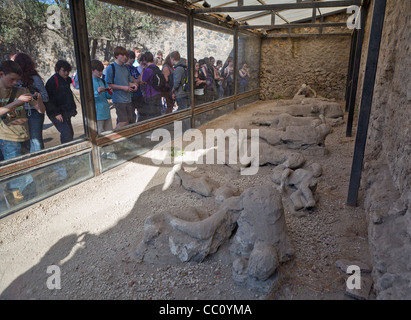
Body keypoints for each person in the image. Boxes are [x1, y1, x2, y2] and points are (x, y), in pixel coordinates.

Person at [0, 60, 39, 201]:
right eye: (12, 79)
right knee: (15, 168)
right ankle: (16, 196)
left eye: (18, 80)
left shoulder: (22, 90)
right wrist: (17, 102)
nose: (15, 83)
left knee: (22, 166)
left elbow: (40, 110)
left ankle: (18, 192)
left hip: (24, 135)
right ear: (1, 74)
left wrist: (38, 100)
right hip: (7, 138)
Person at [12, 52, 47, 152]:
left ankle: (40, 163)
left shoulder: (35, 79)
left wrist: (33, 97)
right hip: (20, 112)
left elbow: (45, 97)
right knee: (25, 141)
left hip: (35, 112)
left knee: (36, 141)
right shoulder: (15, 79)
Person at [45, 60, 77, 144]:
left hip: (65, 111)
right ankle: (66, 152)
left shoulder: (66, 80)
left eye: (68, 71)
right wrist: (55, 113)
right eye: (64, 70)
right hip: (56, 112)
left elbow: (68, 97)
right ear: (58, 70)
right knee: (66, 133)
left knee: (70, 133)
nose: (66, 73)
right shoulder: (52, 81)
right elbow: (48, 99)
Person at [105, 46, 138, 129]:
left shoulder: (126, 68)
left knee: (129, 121)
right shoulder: (111, 68)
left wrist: (133, 85)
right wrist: (124, 88)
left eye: (126, 55)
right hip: (119, 99)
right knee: (123, 121)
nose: (125, 57)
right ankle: (114, 137)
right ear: (116, 56)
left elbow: (128, 81)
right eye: (122, 55)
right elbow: (109, 84)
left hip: (128, 98)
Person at [91, 59, 113, 134]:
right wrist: (97, 92)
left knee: (109, 133)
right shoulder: (89, 82)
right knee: (100, 134)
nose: (101, 73)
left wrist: (110, 92)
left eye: (102, 71)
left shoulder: (102, 81)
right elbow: (88, 98)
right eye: (99, 71)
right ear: (92, 70)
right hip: (97, 114)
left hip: (106, 112)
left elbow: (108, 96)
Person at [140, 52, 163, 121]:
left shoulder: (148, 70)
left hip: (150, 94)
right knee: (158, 113)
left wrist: (143, 70)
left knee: (151, 115)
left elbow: (142, 81)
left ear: (145, 59)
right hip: (158, 93)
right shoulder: (156, 67)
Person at [126, 50, 143, 123]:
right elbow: (133, 80)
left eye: (133, 58)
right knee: (131, 113)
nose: (132, 59)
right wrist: (136, 81)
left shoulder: (134, 68)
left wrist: (137, 81)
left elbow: (140, 79)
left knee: (140, 111)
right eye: (131, 58)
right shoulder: (126, 68)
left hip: (138, 92)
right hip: (132, 93)